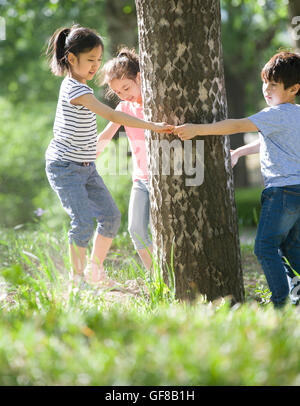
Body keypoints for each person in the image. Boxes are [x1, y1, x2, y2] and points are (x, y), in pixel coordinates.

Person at [45, 25, 173, 289]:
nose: (95, 66)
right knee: (82, 222)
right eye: (90, 60)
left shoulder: (81, 87)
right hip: (65, 167)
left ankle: (94, 270)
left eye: (98, 60)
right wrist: (154, 126)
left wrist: (97, 149)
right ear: (71, 59)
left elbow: (100, 136)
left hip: (86, 166)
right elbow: (113, 117)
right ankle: (77, 281)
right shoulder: (75, 90)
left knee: (111, 217)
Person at [174, 51, 300, 308]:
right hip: (296, 190)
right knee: (291, 249)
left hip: (283, 191)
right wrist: (240, 152)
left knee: (265, 247)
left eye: (273, 85)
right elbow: (273, 142)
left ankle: (280, 306)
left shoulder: (274, 114)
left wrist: (198, 129)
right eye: (265, 82)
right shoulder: (295, 114)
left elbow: (235, 126)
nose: (266, 89)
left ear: (294, 88)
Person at [97, 47, 153, 271]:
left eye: (126, 88)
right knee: (135, 229)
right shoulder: (124, 108)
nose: (124, 95)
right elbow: (106, 135)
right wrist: (84, 158)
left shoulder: (155, 104)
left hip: (166, 177)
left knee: (162, 230)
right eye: (118, 92)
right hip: (140, 180)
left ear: (139, 77)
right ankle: (156, 276)